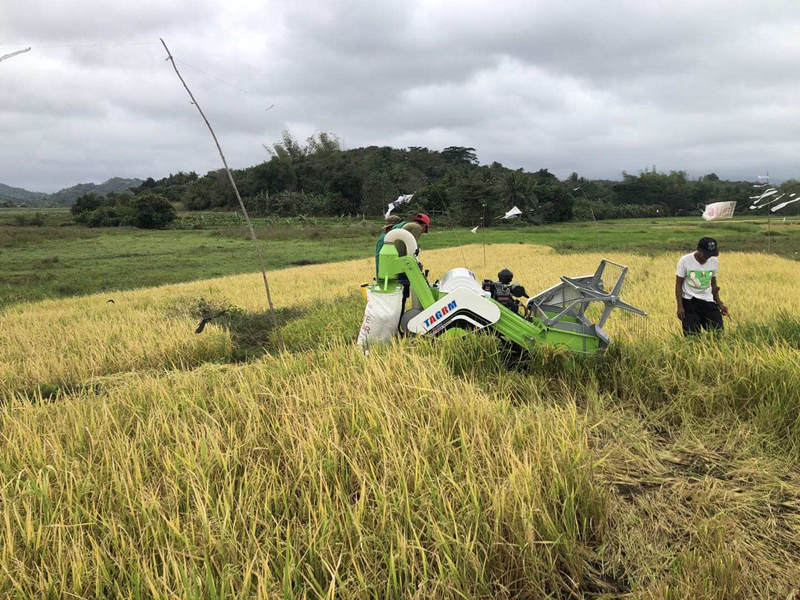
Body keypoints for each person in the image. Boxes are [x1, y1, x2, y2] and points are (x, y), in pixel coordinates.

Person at [675, 237, 729, 336]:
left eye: (711, 255)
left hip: (707, 300)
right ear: (699, 250)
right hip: (689, 301)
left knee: (718, 332)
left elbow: (713, 283)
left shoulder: (714, 261)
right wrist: (680, 306)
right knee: (692, 336)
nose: (708, 257)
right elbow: (678, 284)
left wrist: (719, 303)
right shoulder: (685, 261)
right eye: (706, 254)